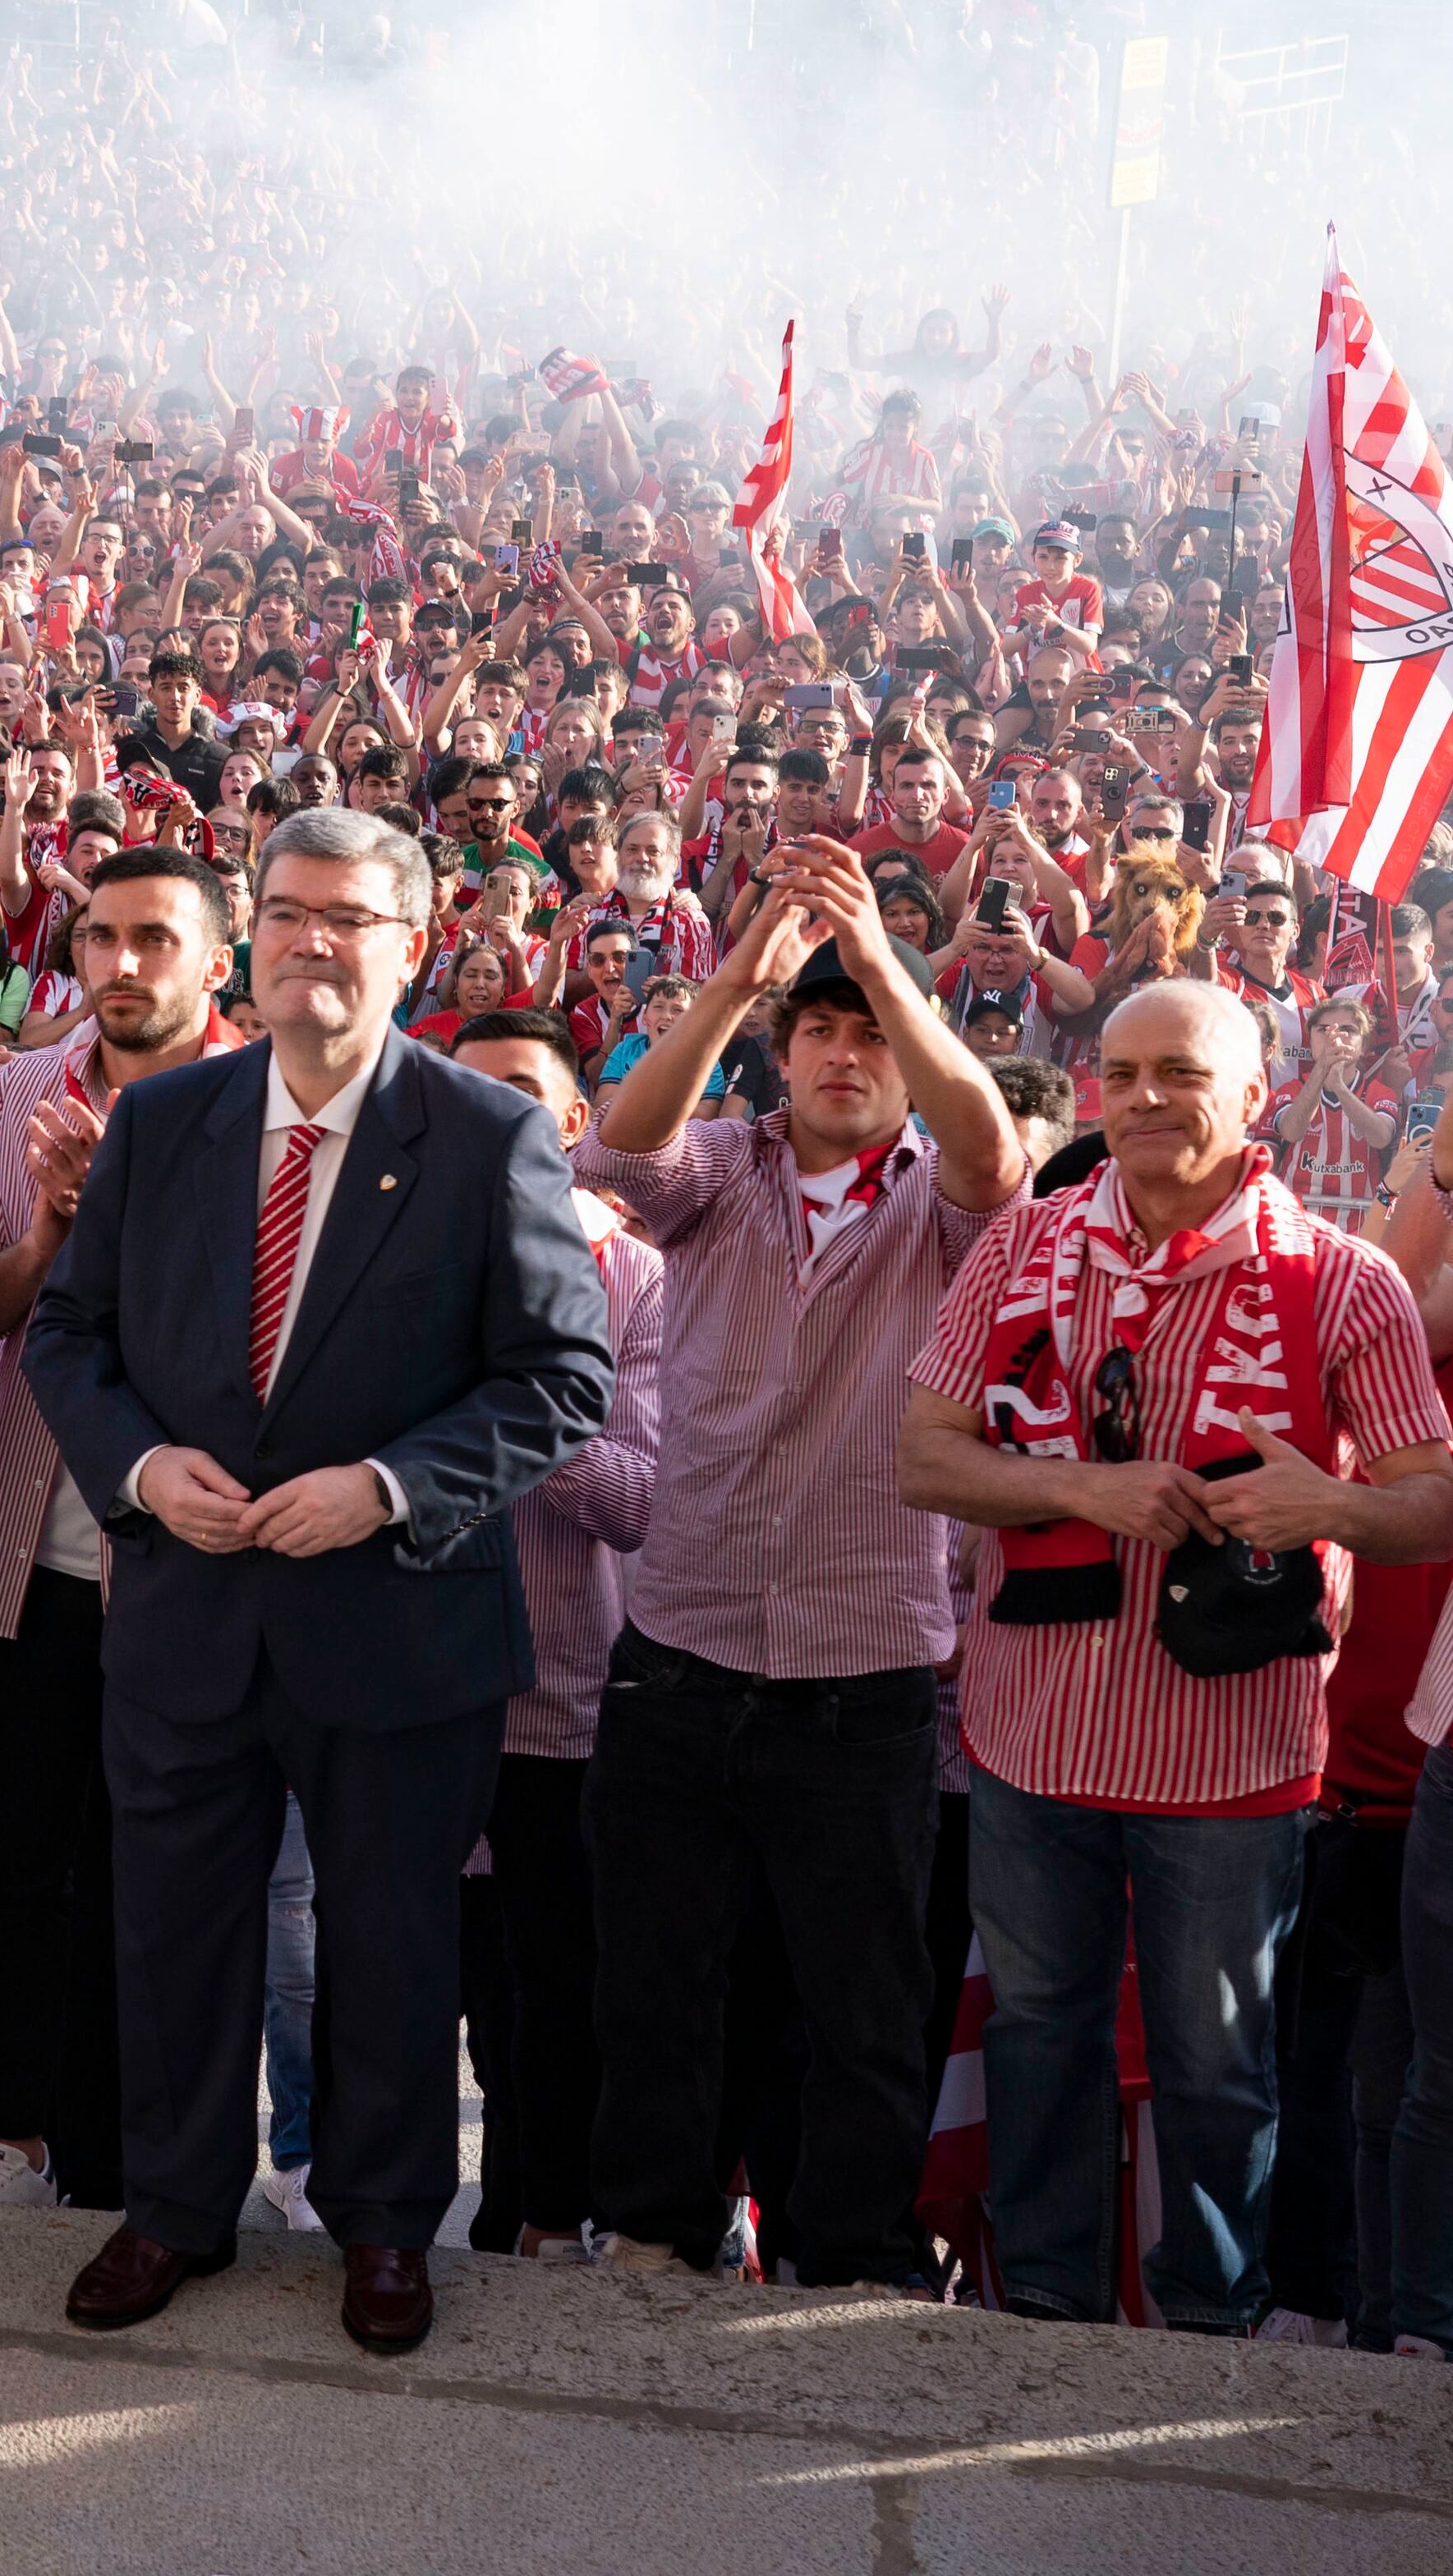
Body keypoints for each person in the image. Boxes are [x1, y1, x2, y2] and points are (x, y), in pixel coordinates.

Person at [26, 806, 614, 2358]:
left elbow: (563, 1377)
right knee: (174, 1934)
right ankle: (174, 2208)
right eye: (284, 912)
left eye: (346, 917)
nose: (308, 941)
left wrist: (388, 1489)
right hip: (187, 1616)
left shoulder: (489, 1134)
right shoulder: (164, 1124)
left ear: (408, 945)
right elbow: (67, 1343)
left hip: (401, 1629)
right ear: (253, 937)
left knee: (392, 1945)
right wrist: (144, 1474)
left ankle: (384, 2224)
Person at [899, 981, 1453, 2329]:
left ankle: (1210, 2319)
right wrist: (1088, 1492)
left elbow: (1432, 1494)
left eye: (1181, 1072)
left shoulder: (1342, 1274)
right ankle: (1041, 2301)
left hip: (1235, 1755)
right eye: (1123, 1070)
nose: (1145, 1097)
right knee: (1040, 2034)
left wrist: (1326, 1506)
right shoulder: (1021, 1246)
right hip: (1033, 1734)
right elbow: (920, 1452)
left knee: (1218, 2066)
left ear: (1255, 1096)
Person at [572, 835, 1019, 2289]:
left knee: (859, 1998)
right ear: (780, 1053)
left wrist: (883, 959)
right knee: (658, 1973)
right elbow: (618, 1151)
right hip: (681, 1647)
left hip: (863, 1672)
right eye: (821, 1028)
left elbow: (998, 1154)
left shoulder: (939, 1206)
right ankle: (654, 2221)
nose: (847, 1052)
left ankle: (848, 2252)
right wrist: (740, 978)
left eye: (872, 1033)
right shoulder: (722, 1166)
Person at [0, 845, 238, 2211]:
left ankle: (126, 2157)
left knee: (155, 1875)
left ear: (217, 962)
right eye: (100, 937)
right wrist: (49, 1229)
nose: (121, 965)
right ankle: (13, 2127)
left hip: (184, 1557)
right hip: (19, 1550)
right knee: (25, 1858)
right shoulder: (29, 1092)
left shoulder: (262, 1104)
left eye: (156, 939)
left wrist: (125, 1221)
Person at [441, 1007, 665, 2261]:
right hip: (406, 1682)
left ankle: (542, 2214)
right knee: (440, 1982)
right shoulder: (377, 1252)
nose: (492, 1115)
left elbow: (636, 1499)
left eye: (521, 1091)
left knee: (553, 1985)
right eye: (464, 1091)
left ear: (575, 1124)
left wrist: (517, 1401)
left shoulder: (632, 1273)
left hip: (561, 1693)